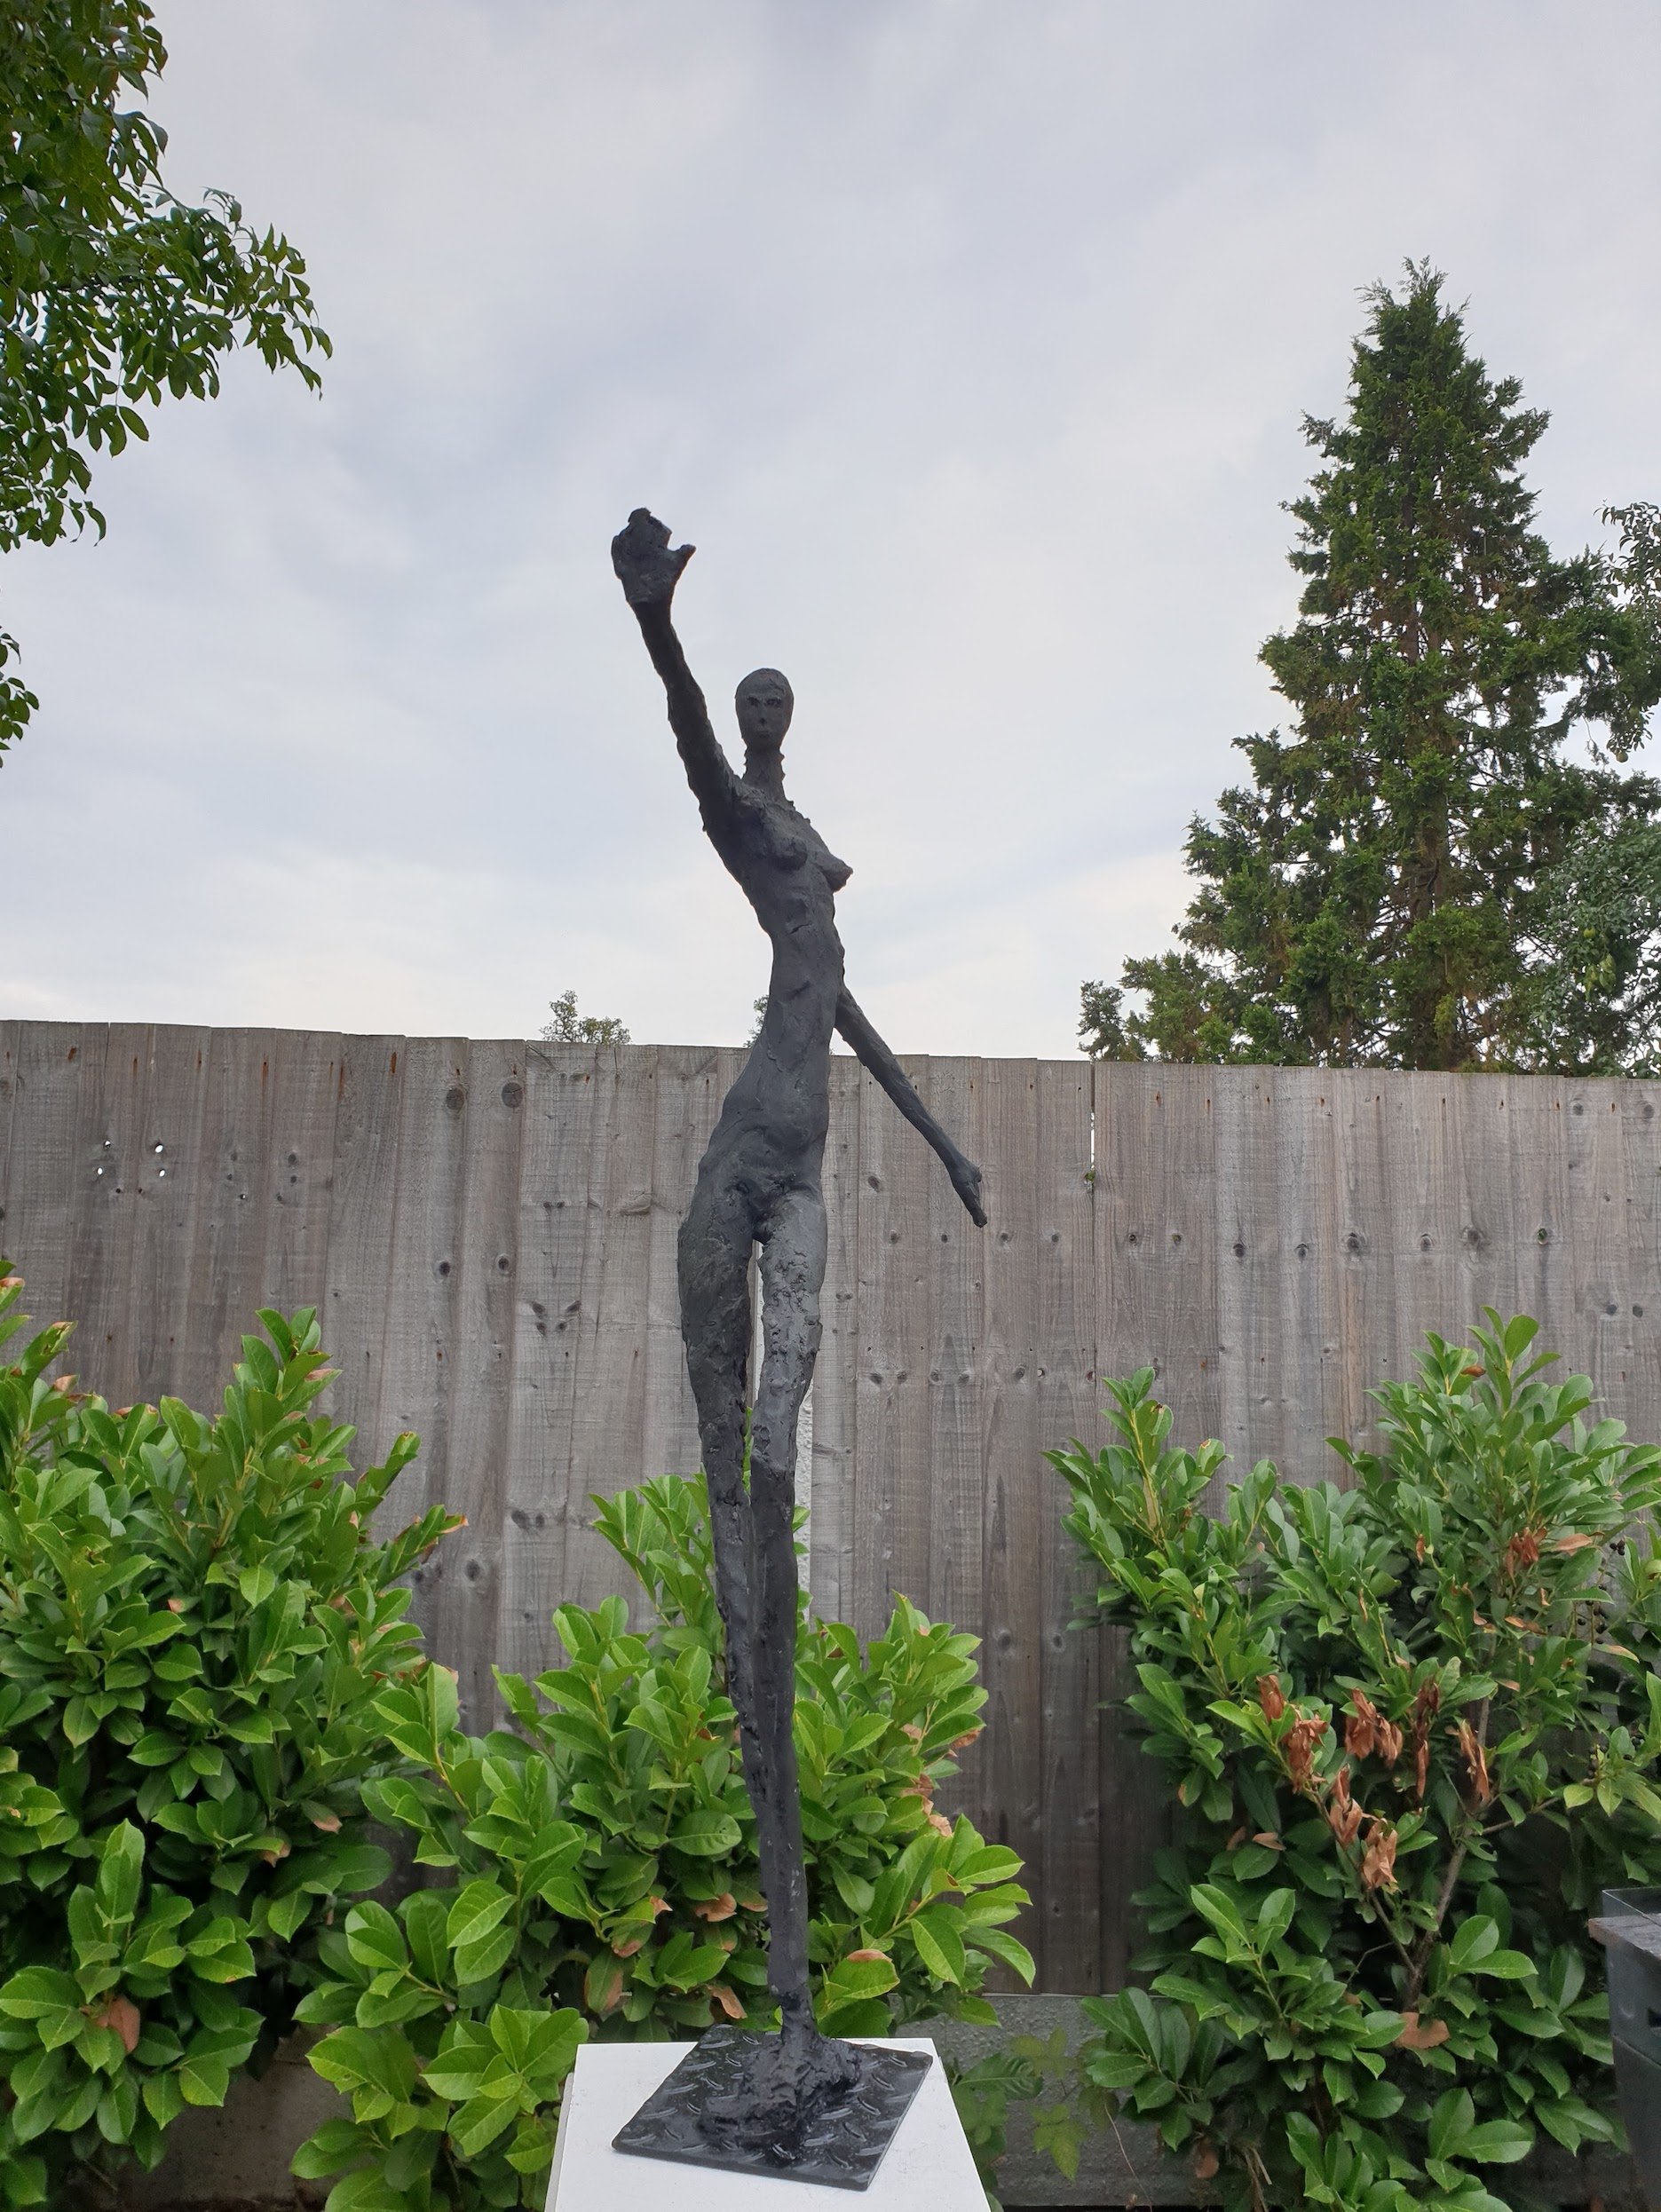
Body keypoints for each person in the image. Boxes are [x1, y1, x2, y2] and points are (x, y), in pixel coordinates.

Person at [612, 509, 986, 2147]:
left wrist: (952, 1143)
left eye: (776, 708)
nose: (768, 730)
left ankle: (793, 1990)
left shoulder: (819, 928)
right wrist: (659, 631)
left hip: (803, 1189)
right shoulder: (748, 826)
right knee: (732, 1515)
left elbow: (863, 1028)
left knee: (777, 1472)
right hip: (729, 1181)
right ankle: (778, 1990)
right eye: (754, 713)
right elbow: (694, 758)